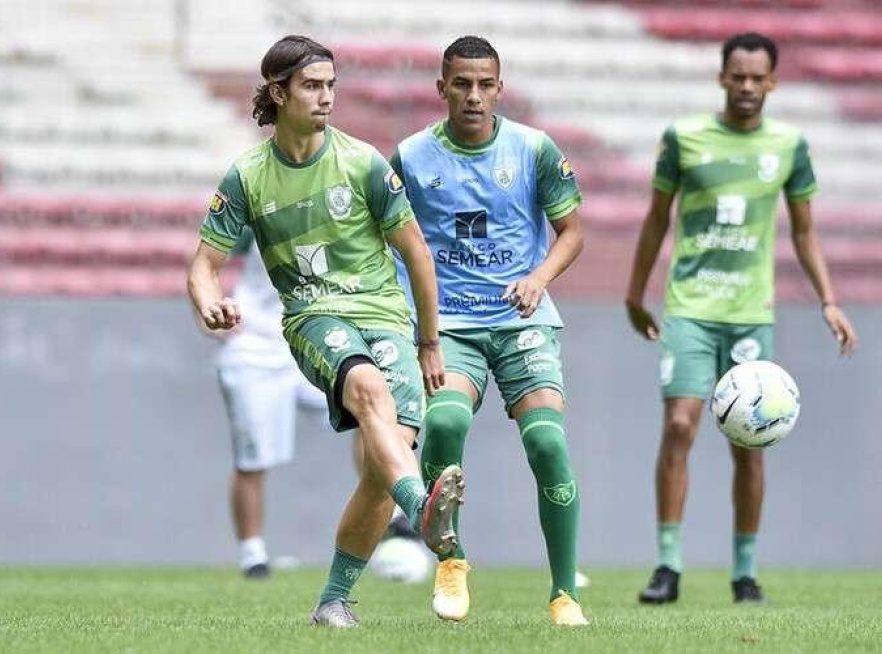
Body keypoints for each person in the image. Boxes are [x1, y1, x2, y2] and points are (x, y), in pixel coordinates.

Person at [187, 34, 465, 628]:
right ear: (278, 92)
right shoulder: (247, 177)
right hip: (315, 317)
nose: (326, 98)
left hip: (386, 316)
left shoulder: (363, 162)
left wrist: (429, 341)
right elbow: (203, 266)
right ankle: (422, 510)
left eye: (331, 85)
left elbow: (416, 253)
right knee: (369, 395)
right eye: (312, 86)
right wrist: (211, 303)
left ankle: (333, 600)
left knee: (381, 471)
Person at [624, 31, 858, 605]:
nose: (748, 86)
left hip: (751, 314)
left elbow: (804, 230)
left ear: (772, 82)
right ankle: (668, 565)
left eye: (759, 77)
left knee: (749, 443)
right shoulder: (683, 139)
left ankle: (745, 572)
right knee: (680, 425)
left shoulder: (789, 146)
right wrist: (635, 292)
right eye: (739, 76)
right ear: (722, 77)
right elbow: (656, 219)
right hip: (691, 307)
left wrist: (827, 298)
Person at [391, 35, 588, 626]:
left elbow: (572, 232)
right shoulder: (411, 156)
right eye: (461, 84)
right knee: (445, 420)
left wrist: (538, 276)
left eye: (484, 84)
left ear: (499, 88)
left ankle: (563, 594)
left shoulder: (533, 150)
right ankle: (451, 560)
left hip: (520, 319)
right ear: (442, 87)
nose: (473, 95)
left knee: (548, 443)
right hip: (448, 324)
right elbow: (386, 239)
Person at [213, 233, 430, 582]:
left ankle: (396, 513)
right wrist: (208, 308)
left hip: (321, 336)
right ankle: (253, 556)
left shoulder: (348, 200)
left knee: (372, 412)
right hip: (256, 344)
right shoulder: (258, 199)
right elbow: (206, 259)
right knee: (252, 458)